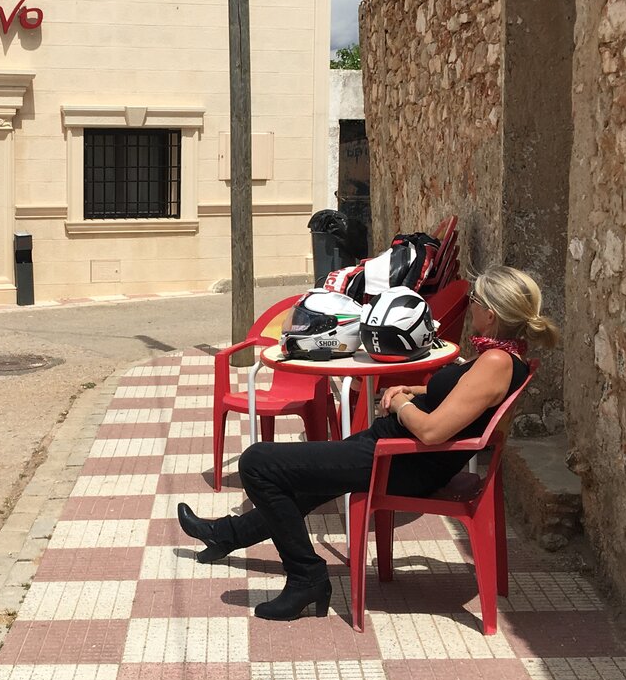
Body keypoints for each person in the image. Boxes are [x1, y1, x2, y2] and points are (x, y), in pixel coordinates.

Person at [177, 265, 559, 621]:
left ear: (490, 314)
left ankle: (307, 576)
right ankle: (226, 535)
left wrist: (403, 404)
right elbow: (458, 399)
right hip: (395, 451)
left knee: (258, 462)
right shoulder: (501, 356)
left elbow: (432, 432)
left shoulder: (496, 363)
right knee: (304, 479)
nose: (471, 305)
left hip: (401, 461)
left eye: (474, 300)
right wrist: (413, 389)